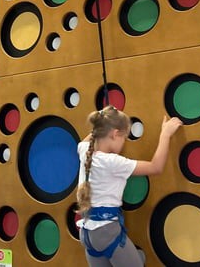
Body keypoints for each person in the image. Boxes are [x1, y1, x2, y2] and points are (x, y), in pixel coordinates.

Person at [76, 105, 183, 266]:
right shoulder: (113, 162)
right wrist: (165, 134)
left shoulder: (84, 150)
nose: (123, 143)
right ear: (115, 134)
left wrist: (105, 118)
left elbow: (95, 134)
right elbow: (156, 167)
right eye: (123, 137)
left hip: (88, 234)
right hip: (107, 232)